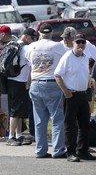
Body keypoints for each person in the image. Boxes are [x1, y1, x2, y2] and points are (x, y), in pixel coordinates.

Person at [25, 23, 66, 158]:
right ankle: (58, 150)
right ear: (51, 33)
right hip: (52, 83)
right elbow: (66, 58)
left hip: (35, 83)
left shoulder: (31, 47)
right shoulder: (57, 46)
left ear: (40, 33)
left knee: (39, 120)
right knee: (57, 118)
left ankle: (40, 150)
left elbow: (28, 61)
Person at [54, 33, 96, 162]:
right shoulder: (67, 56)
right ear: (73, 43)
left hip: (83, 94)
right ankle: (70, 152)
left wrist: (92, 89)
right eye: (78, 42)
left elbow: (87, 75)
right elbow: (57, 75)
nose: (81, 45)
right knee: (70, 125)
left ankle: (82, 150)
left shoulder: (86, 57)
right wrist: (65, 91)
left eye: (83, 42)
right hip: (71, 95)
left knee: (84, 124)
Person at [5, 28, 37, 146]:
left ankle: (18, 135)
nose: (33, 40)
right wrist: (29, 83)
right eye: (32, 38)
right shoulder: (27, 48)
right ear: (26, 36)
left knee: (17, 110)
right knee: (16, 110)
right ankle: (11, 136)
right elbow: (31, 67)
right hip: (20, 81)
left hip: (10, 80)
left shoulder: (12, 45)